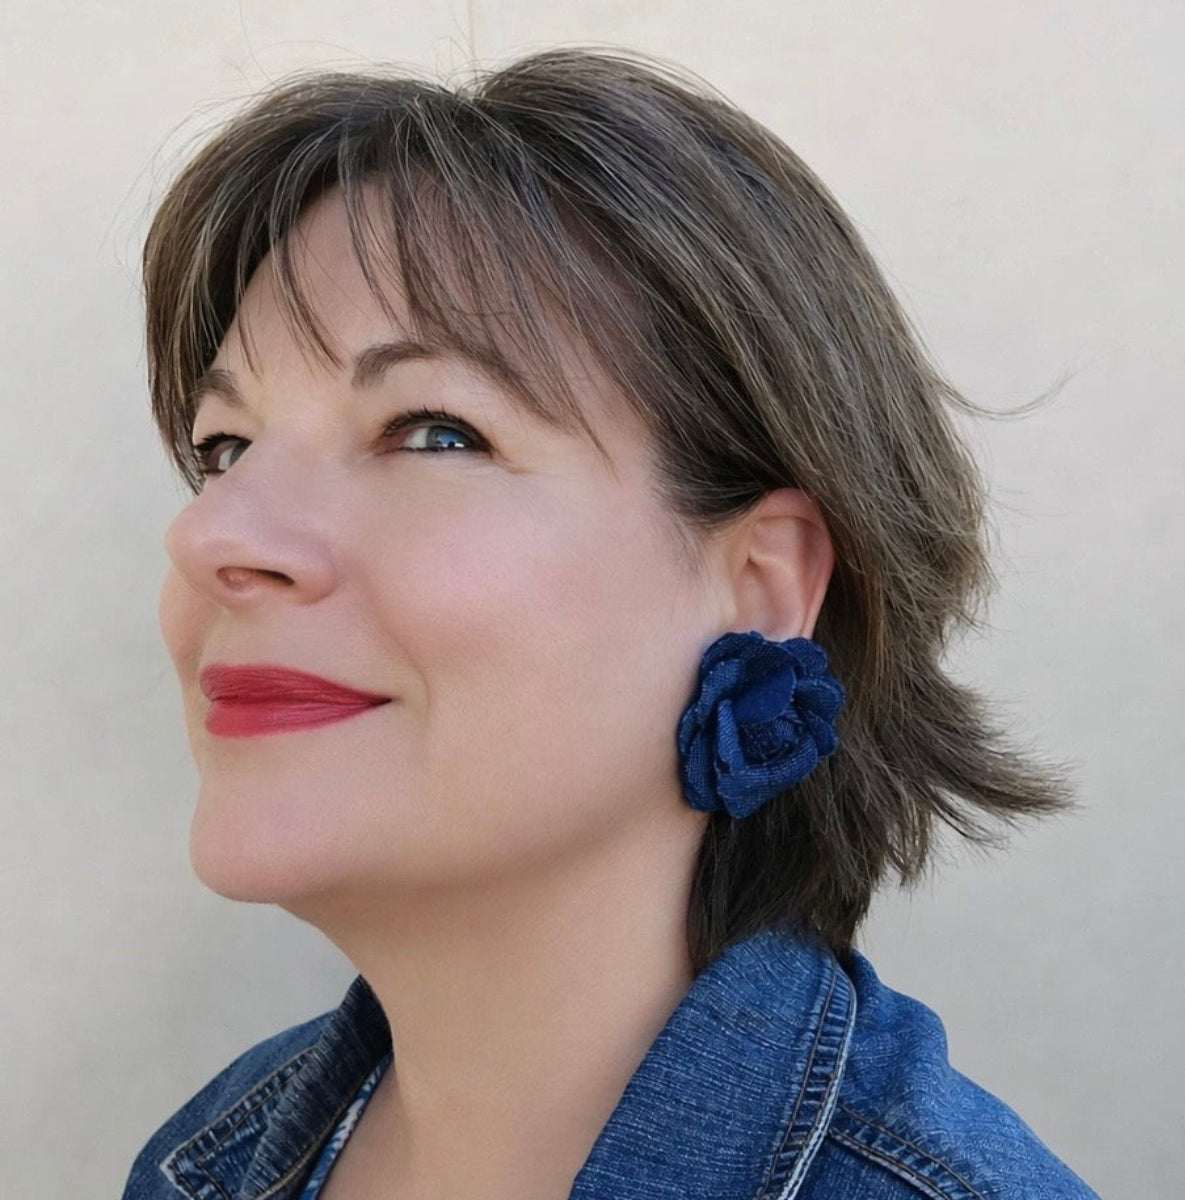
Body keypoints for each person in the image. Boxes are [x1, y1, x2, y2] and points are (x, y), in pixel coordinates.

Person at [122, 46, 1101, 1200]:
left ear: (762, 584)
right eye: (226, 448)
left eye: (433, 431)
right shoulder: (210, 1162)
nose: (215, 533)